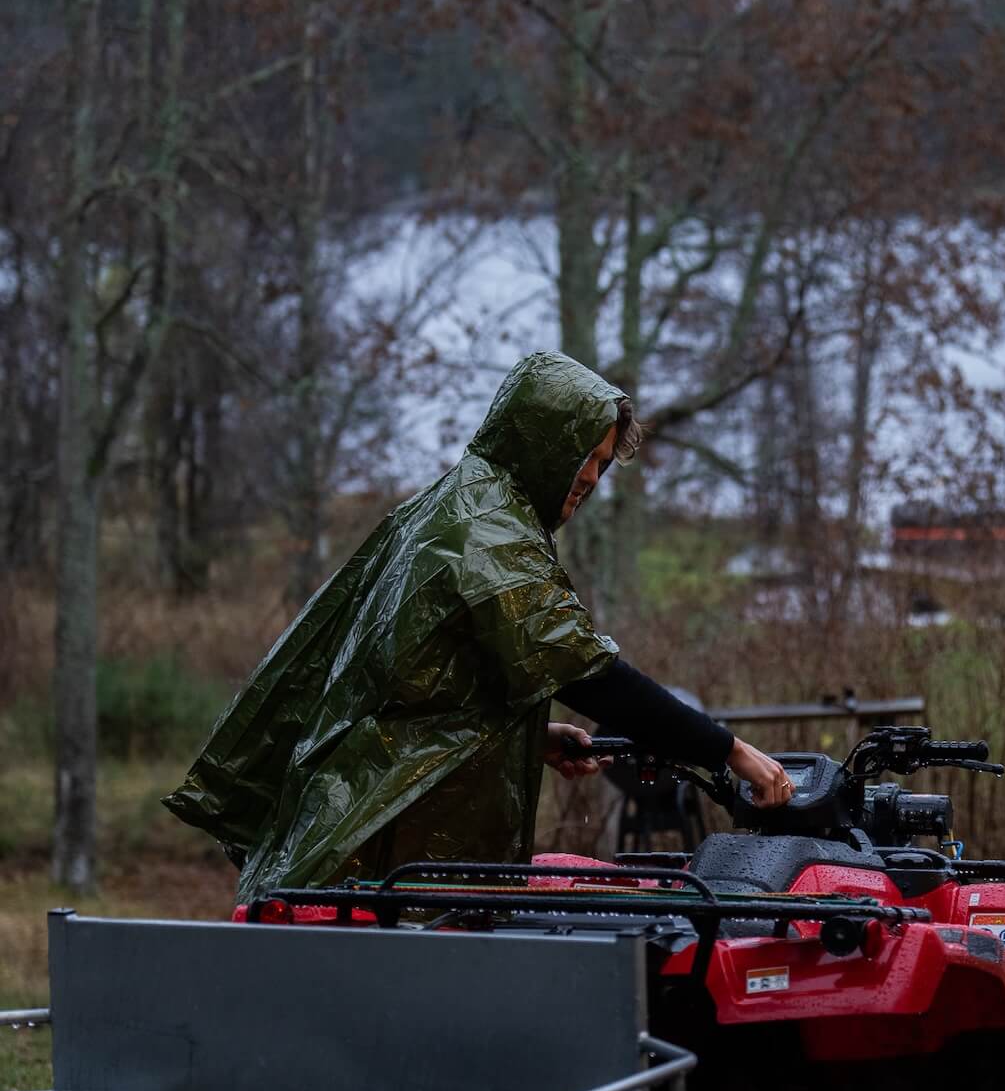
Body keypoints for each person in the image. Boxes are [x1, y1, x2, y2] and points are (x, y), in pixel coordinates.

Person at [164, 351, 792, 901]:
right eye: (585, 457)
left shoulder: (459, 501)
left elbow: (415, 673)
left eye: (602, 464)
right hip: (380, 837)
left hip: (371, 827)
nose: (591, 479)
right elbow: (591, 676)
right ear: (544, 442)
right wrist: (733, 753)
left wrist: (529, 734)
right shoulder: (488, 533)